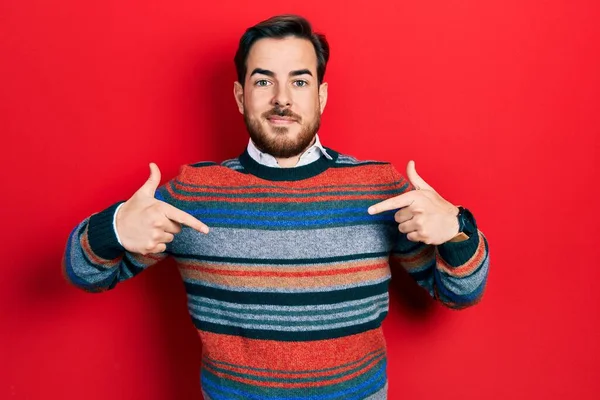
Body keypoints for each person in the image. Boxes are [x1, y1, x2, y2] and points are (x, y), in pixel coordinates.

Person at [62, 14, 489, 400]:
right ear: (239, 94)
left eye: (299, 81)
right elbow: (84, 274)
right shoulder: (194, 194)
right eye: (264, 81)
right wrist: (114, 228)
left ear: (321, 96)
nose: (281, 98)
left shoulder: (379, 188)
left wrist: (456, 229)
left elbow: (461, 293)